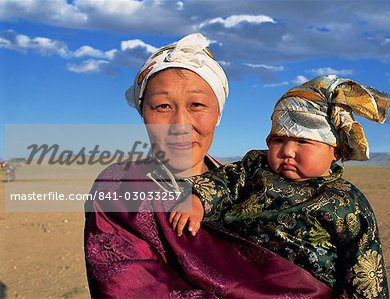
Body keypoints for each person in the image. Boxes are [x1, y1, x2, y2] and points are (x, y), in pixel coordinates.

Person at [84, 33, 332, 298]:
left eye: (197, 105)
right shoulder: (120, 189)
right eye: (162, 106)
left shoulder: (252, 185)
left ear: (217, 115)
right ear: (143, 112)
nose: (180, 124)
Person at [170, 75, 390, 298]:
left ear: (335, 152)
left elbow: (364, 271)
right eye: (278, 140)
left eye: (303, 141)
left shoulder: (346, 203)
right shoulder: (254, 168)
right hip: (232, 277)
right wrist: (196, 199)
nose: (287, 151)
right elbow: (224, 182)